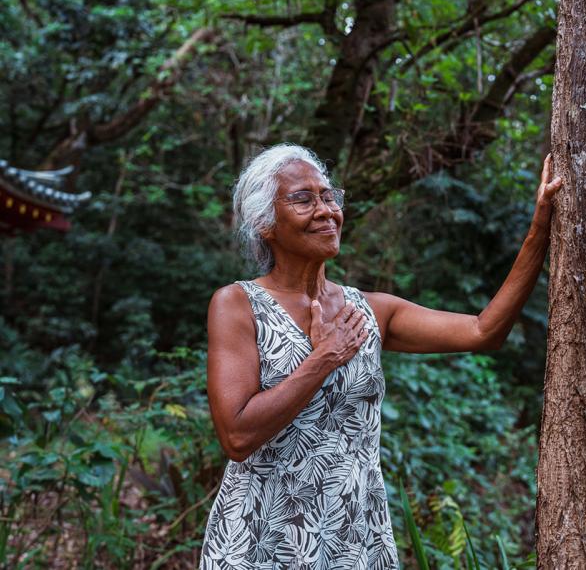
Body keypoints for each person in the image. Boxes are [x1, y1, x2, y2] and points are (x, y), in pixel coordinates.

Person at [199, 143, 562, 569]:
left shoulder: (370, 310)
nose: (325, 210)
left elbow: (484, 331)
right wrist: (323, 359)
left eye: (328, 196)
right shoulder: (238, 304)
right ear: (265, 224)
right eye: (303, 199)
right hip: (262, 537)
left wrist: (540, 230)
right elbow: (237, 437)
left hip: (354, 537)